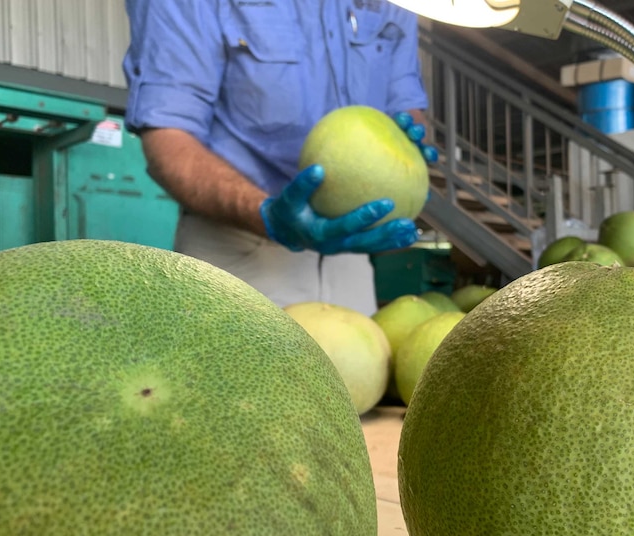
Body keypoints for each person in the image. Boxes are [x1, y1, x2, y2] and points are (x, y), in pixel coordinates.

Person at [122, 0, 437, 316]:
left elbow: (405, 106)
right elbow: (170, 138)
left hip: (349, 260)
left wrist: (410, 144)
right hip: (234, 258)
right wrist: (268, 215)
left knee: (357, 366)